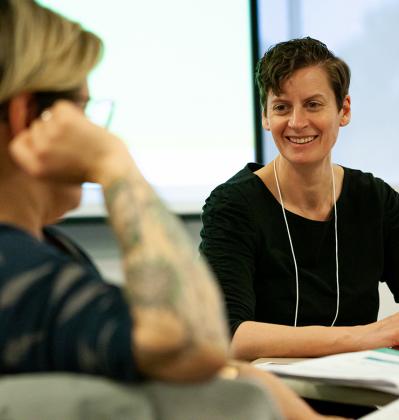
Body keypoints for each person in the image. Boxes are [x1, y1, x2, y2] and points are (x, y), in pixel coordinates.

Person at [0, 2, 344, 419]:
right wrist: (115, 165)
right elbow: (199, 341)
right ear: (28, 116)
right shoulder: (19, 272)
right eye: (84, 111)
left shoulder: (51, 253)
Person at [200, 37, 399, 361]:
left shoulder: (374, 199)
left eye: (313, 104)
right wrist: (368, 335)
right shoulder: (233, 206)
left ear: (343, 110)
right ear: (265, 116)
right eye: (281, 107)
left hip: (361, 393)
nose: (296, 122)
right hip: (267, 400)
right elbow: (230, 335)